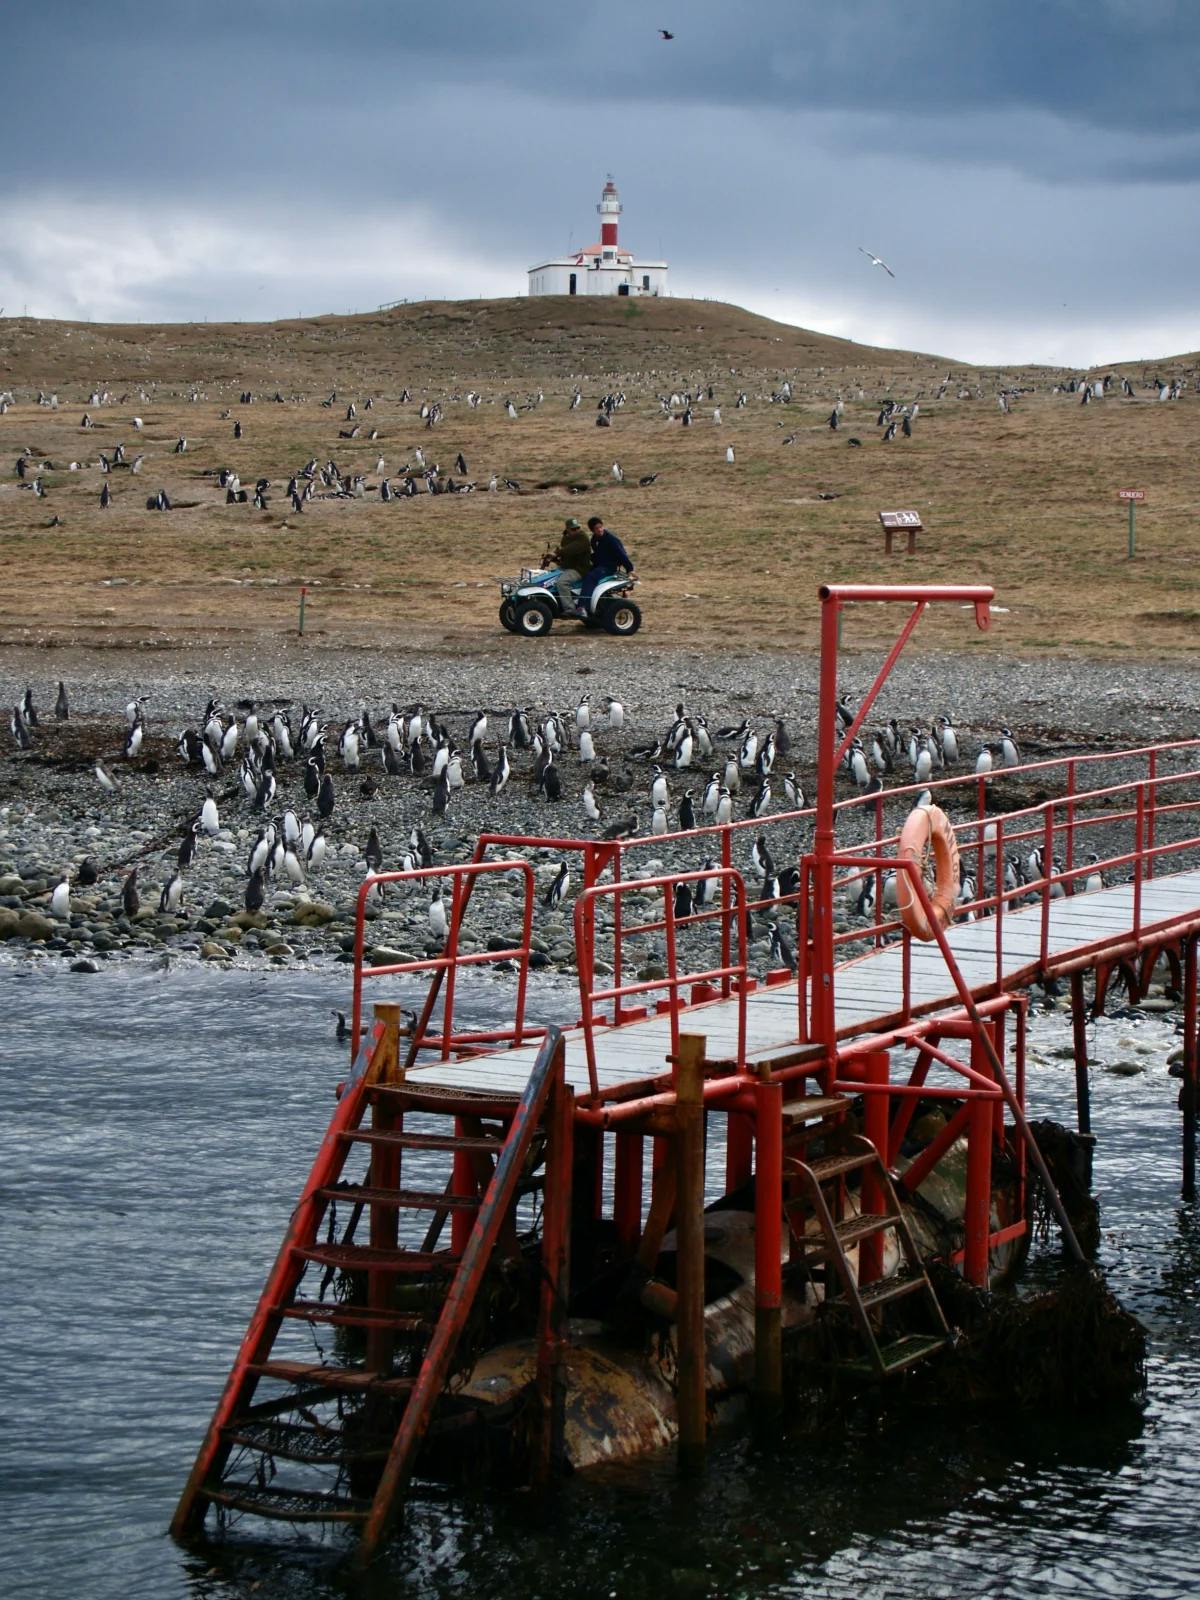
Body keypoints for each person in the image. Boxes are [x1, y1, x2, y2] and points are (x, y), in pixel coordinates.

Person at [579, 516, 634, 607]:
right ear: (592, 530)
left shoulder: (611, 539)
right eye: (597, 528)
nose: (600, 530)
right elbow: (598, 554)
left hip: (609, 567)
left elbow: (621, 554)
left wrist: (630, 569)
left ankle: (583, 607)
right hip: (600, 566)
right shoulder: (594, 539)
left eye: (601, 527)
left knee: (590, 577)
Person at [547, 517, 592, 611]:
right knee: (548, 579)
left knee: (562, 583)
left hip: (579, 569)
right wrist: (554, 558)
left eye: (577, 528)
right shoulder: (566, 538)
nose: (576, 530)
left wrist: (557, 553)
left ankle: (569, 609)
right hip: (566, 567)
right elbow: (565, 553)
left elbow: (572, 549)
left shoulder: (583, 538)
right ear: (567, 529)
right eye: (573, 529)